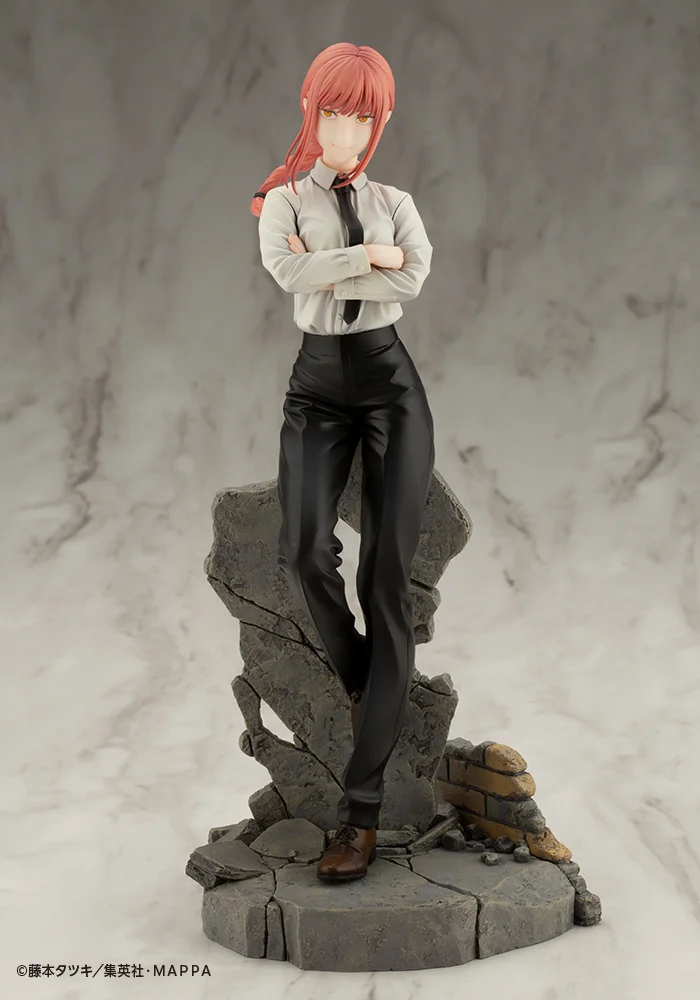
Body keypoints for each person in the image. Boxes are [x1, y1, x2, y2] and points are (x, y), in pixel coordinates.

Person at [251, 42, 435, 882]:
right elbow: (289, 275)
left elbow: (413, 281)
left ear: (380, 122)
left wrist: (345, 269)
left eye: (363, 117)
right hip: (317, 386)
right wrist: (367, 259)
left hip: (391, 382)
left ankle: (360, 816)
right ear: (310, 111)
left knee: (385, 581)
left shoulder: (397, 201)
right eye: (334, 113)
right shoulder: (283, 200)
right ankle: (367, 674)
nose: (347, 131)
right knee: (301, 550)